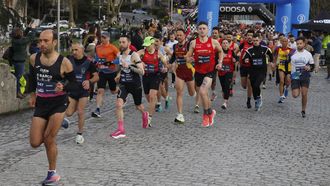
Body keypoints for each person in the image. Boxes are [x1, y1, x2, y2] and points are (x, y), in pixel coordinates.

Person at [28, 29, 79, 185]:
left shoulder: (64, 62)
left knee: (49, 139)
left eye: (46, 41)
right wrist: (32, 94)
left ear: (54, 42)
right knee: (35, 142)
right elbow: (32, 78)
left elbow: (74, 84)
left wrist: (63, 87)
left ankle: (52, 174)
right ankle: (60, 122)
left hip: (58, 103)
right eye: (40, 41)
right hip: (42, 103)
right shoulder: (33, 58)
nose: (41, 44)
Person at [185, 21, 224, 127]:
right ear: (197, 30)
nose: (202, 30)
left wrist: (220, 63)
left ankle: (206, 116)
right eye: (200, 28)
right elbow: (187, 57)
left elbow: (221, 52)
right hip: (198, 72)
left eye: (204, 28)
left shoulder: (214, 42)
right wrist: (190, 59)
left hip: (210, 71)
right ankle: (210, 112)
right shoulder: (193, 43)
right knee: (204, 95)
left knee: (202, 91)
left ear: (208, 30)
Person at [110, 35, 149, 138]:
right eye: (120, 42)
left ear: (129, 43)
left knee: (138, 106)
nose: (121, 44)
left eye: (123, 42)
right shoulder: (119, 55)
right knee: (119, 104)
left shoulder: (134, 55)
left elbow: (142, 72)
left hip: (135, 84)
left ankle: (145, 114)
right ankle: (121, 129)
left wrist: (130, 67)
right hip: (124, 84)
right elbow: (122, 68)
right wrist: (118, 75)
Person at [61, 42, 99, 144]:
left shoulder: (89, 62)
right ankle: (64, 121)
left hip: (83, 91)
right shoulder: (69, 60)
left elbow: (96, 76)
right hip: (72, 90)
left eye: (76, 50)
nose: (74, 52)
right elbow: (62, 73)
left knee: (80, 111)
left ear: (82, 50)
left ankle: (79, 134)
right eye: (72, 50)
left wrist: (89, 81)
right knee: (68, 113)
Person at [138, 36, 168, 126]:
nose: (146, 47)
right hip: (145, 76)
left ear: (152, 44)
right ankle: (153, 105)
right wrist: (139, 62)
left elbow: (165, 62)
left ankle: (149, 118)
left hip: (155, 76)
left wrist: (165, 68)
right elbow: (133, 56)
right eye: (145, 45)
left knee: (152, 96)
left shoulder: (158, 53)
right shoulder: (142, 52)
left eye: (148, 45)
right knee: (148, 97)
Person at [171, 28, 197, 123]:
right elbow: (174, 57)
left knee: (191, 93)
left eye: (180, 35)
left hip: (189, 71)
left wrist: (192, 59)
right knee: (179, 92)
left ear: (184, 35)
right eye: (177, 35)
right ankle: (180, 114)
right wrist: (169, 64)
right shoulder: (175, 46)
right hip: (179, 71)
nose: (178, 37)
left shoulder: (188, 45)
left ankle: (195, 95)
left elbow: (195, 55)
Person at [91, 32, 120, 118]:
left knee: (113, 91)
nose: (102, 39)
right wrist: (95, 62)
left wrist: (111, 62)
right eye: (101, 37)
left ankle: (120, 91)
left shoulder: (113, 48)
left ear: (108, 38)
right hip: (102, 72)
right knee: (100, 91)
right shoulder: (98, 47)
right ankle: (97, 109)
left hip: (111, 72)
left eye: (104, 37)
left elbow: (120, 59)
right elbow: (96, 58)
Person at [243, 33, 273, 111]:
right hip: (252, 71)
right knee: (253, 87)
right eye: (254, 41)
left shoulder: (264, 48)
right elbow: (245, 57)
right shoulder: (249, 50)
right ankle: (256, 100)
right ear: (252, 41)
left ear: (259, 40)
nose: (255, 42)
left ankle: (258, 98)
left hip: (262, 71)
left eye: (257, 40)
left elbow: (270, 54)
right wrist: (246, 59)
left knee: (256, 85)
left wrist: (272, 62)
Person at [290, 37, 314, 118]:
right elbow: (288, 63)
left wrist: (309, 68)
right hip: (295, 74)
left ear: (304, 44)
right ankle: (297, 88)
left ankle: (303, 110)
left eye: (300, 43)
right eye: (297, 44)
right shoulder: (293, 53)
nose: (299, 45)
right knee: (295, 95)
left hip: (305, 74)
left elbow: (312, 65)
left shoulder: (308, 54)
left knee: (304, 94)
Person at [11, 27, 33, 98]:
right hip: (20, 62)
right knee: (19, 77)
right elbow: (31, 37)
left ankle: (18, 91)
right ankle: (18, 92)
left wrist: (29, 28)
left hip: (16, 61)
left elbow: (24, 35)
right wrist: (33, 29)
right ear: (19, 34)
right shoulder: (21, 42)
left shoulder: (14, 40)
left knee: (18, 76)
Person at [154, 32, 172, 112]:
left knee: (160, 86)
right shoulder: (152, 48)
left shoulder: (165, 49)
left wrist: (167, 60)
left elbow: (172, 56)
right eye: (154, 41)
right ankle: (162, 100)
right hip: (154, 70)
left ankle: (160, 102)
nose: (155, 43)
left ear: (161, 41)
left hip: (162, 70)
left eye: (157, 41)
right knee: (158, 87)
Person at [273, 37, 295, 103]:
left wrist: (289, 55)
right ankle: (281, 96)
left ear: (288, 42)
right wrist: (274, 63)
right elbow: (274, 56)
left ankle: (286, 88)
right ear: (281, 42)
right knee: (282, 81)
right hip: (281, 66)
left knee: (288, 81)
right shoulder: (278, 48)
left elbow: (294, 59)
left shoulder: (291, 50)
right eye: (283, 41)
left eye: (286, 41)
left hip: (288, 67)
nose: (284, 42)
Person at [218, 39, 238, 109]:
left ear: (229, 45)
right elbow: (214, 60)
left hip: (229, 71)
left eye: (226, 43)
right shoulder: (219, 52)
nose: (225, 44)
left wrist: (235, 60)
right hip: (221, 72)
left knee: (227, 85)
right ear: (221, 45)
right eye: (223, 43)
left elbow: (236, 58)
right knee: (223, 87)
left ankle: (225, 102)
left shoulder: (231, 52)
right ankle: (225, 97)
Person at [239, 30, 254, 108]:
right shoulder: (243, 43)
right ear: (246, 36)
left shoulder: (255, 44)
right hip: (243, 66)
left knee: (249, 84)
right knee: (244, 85)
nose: (249, 37)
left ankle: (248, 100)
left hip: (251, 67)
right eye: (248, 35)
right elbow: (237, 51)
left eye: (251, 35)